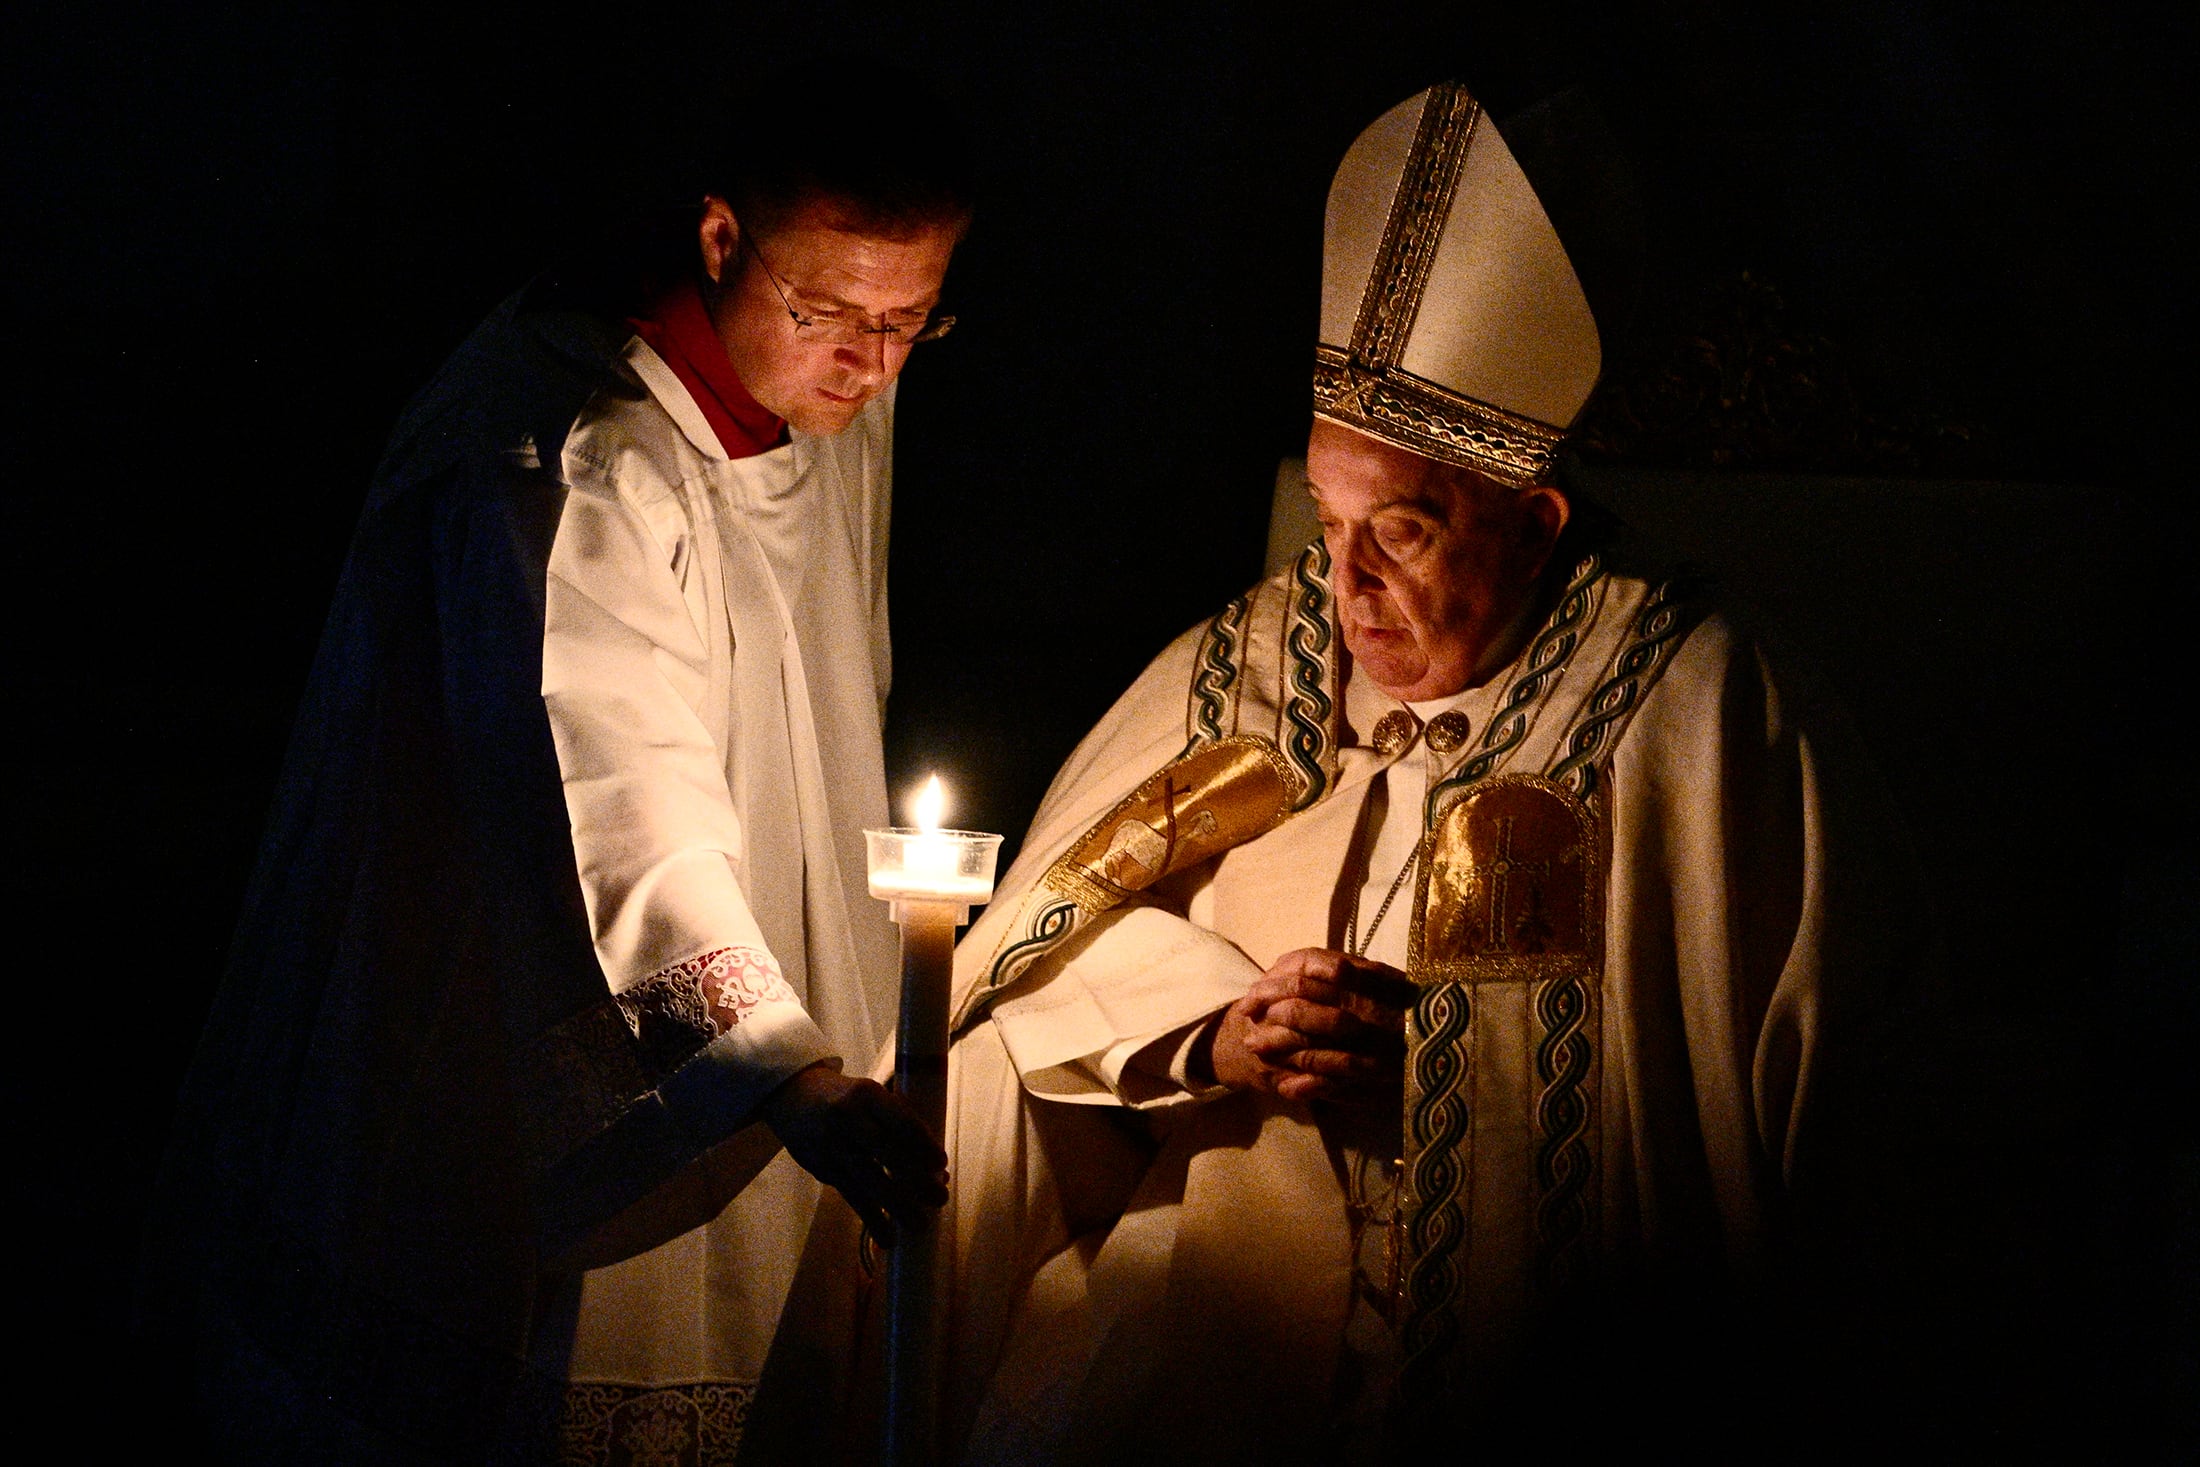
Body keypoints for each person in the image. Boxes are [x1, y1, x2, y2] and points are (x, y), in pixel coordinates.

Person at [760, 79, 1925, 1463]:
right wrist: (1213, 1030)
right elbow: (1020, 982)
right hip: (1199, 1340)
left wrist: (1438, 1064)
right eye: (1327, 515)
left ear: (1533, 520)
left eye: (1407, 533)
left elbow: (1802, 1145)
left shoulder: (1701, 710)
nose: (1346, 586)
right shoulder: (1255, 666)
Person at [142, 87, 971, 1466]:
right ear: (719, 238)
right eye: (833, 313)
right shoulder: (577, 460)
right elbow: (615, 800)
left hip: (779, 963)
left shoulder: (828, 389)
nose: (871, 368)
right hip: (550, 1026)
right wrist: (780, 1075)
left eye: (910, 321)